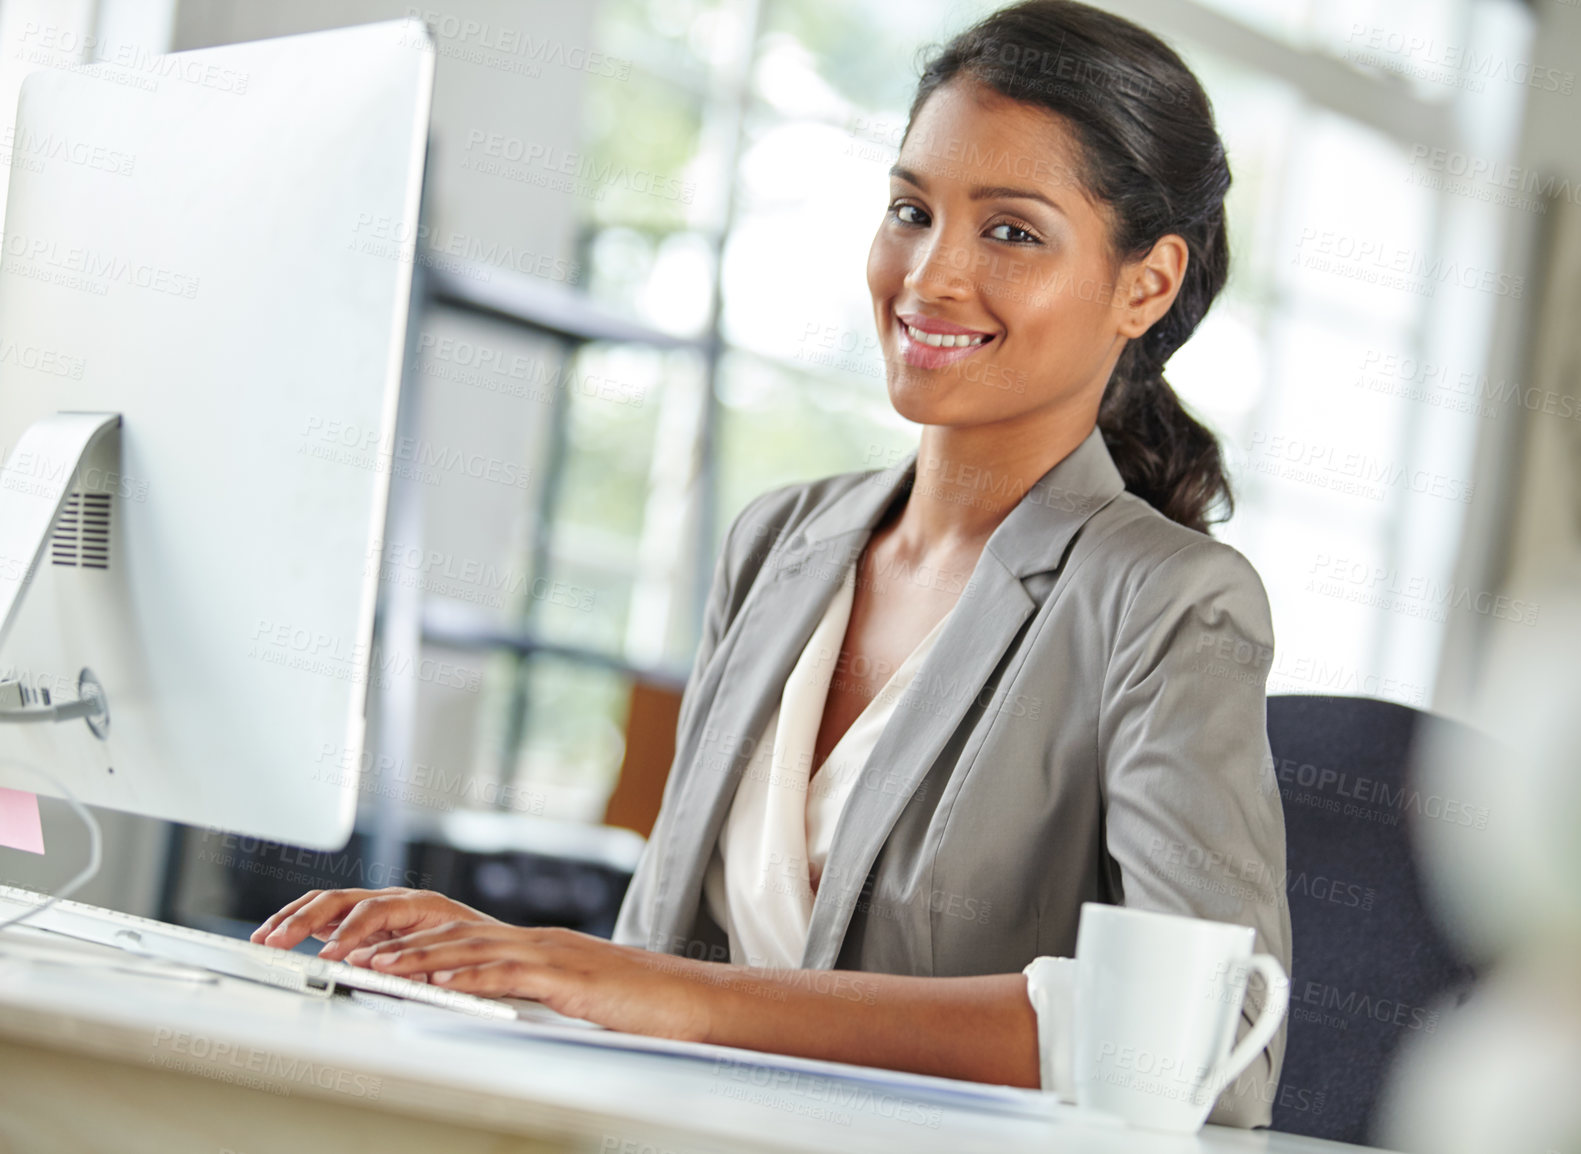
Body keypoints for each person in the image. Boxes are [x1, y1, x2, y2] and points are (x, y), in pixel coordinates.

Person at [252, 0, 1290, 1127]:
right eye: (911, 210)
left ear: (1143, 284)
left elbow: (1215, 1051)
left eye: (1011, 232)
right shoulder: (778, 543)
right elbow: (657, 949)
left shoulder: (1169, 601)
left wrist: (680, 999)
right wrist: (480, 975)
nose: (930, 277)